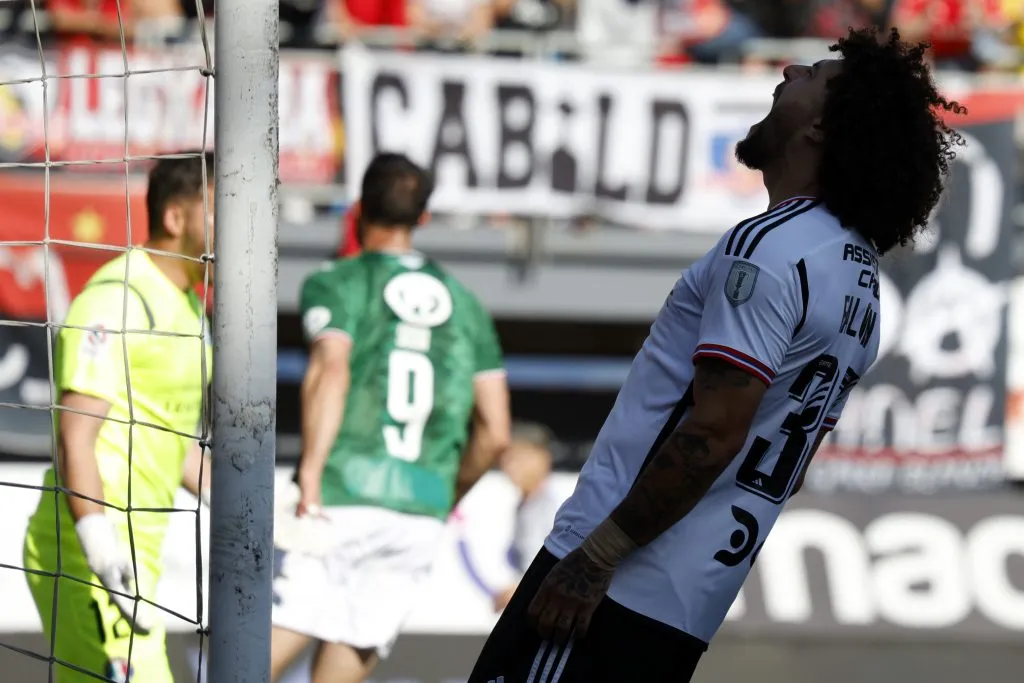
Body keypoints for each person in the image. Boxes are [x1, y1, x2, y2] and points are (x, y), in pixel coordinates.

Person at [468, 26, 964, 683]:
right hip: (684, 608)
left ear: (819, 127)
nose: (787, 70)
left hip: (609, 586)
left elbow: (712, 433)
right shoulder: (860, 279)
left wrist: (594, 557)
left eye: (811, 75)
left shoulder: (771, 245)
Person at [270, 152, 511, 683]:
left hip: (340, 495)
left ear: (357, 210)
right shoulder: (468, 306)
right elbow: (496, 433)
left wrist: (310, 471)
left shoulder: (339, 281)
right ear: (423, 218)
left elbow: (332, 370)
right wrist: (441, 498)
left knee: (243, 664)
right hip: (419, 511)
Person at [22, 152, 215, 683]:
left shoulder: (191, 309)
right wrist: (101, 550)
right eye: (224, 208)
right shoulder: (118, 298)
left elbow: (169, 437)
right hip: (87, 554)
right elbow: (75, 436)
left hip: (139, 558)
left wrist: (258, 509)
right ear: (177, 218)